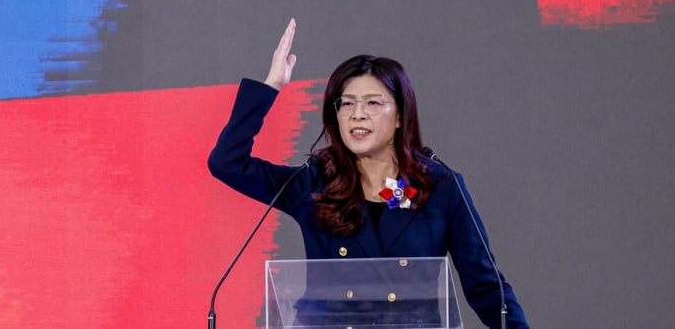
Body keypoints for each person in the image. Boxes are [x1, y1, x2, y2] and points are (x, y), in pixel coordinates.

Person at [208, 19, 528, 328]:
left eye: (373, 103)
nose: (357, 114)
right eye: (346, 104)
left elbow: (486, 287)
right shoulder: (314, 181)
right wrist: (271, 87)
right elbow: (227, 161)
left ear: (401, 115)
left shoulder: (440, 185)